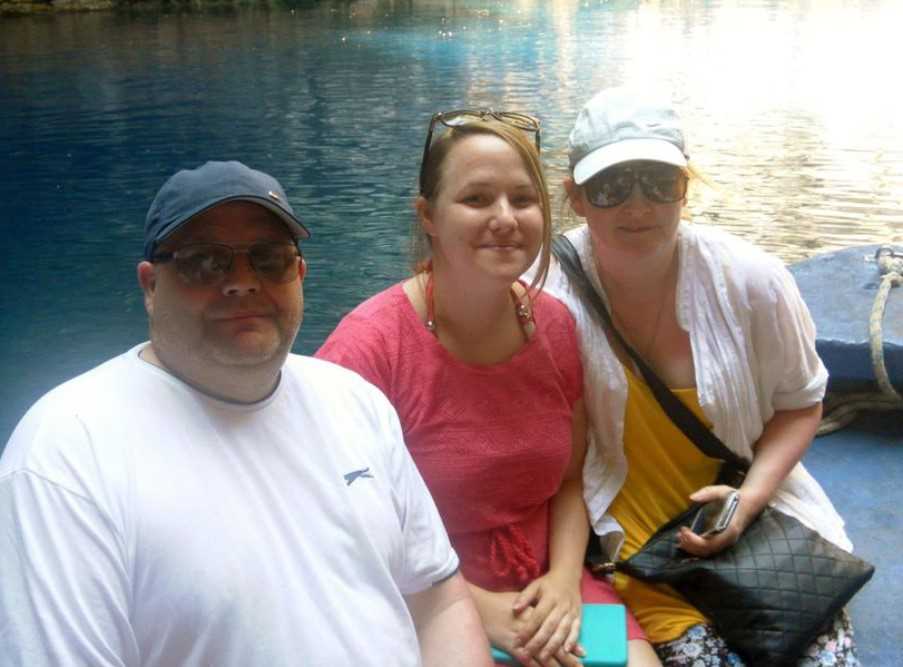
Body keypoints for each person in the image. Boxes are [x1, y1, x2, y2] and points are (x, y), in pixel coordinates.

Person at [0, 160, 493, 667]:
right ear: (150, 286)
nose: (241, 282)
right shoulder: (65, 453)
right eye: (204, 262)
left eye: (268, 258)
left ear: (299, 273)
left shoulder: (354, 401)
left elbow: (438, 602)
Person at [316, 111, 660, 667]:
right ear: (428, 216)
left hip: (545, 585)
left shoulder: (553, 324)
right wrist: (472, 606)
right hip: (419, 599)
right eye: (476, 199)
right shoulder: (369, 349)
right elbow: (327, 522)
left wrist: (565, 581)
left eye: (522, 200)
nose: (505, 218)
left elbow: (570, 477)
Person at [544, 87, 859, 665]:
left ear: (685, 187)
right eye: (612, 187)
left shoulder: (751, 282)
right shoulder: (546, 296)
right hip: (639, 551)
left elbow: (800, 403)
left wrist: (746, 501)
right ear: (576, 197)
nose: (637, 206)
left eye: (658, 183)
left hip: (759, 525)